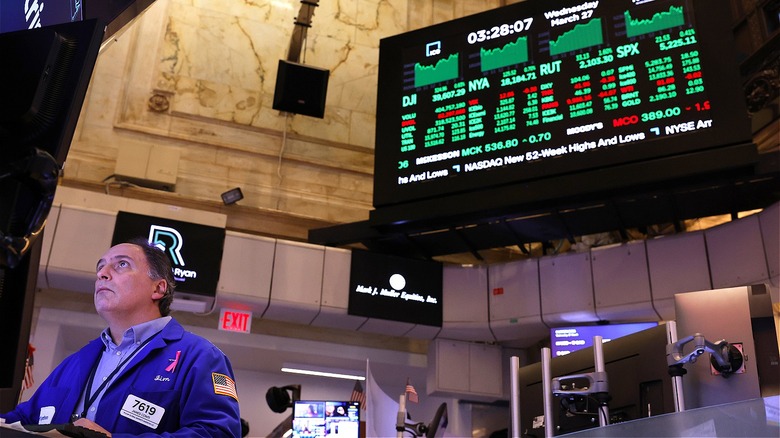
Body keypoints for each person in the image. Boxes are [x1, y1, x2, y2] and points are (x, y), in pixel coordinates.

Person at [1, 238, 242, 437]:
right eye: (100, 267)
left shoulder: (199, 357)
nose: (102, 274)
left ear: (158, 288)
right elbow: (18, 421)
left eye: (121, 265)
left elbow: (217, 433)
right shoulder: (76, 362)